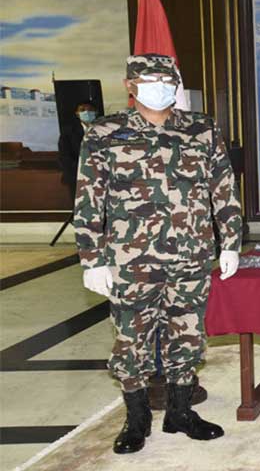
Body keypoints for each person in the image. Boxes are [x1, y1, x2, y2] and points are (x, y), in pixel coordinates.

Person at [73, 53, 243, 454]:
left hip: (191, 255)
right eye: (151, 82)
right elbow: (88, 197)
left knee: (187, 335)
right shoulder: (105, 132)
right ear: (130, 86)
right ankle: (137, 419)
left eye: (168, 82)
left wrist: (231, 242)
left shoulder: (201, 129)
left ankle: (180, 412)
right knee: (131, 340)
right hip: (131, 260)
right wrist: (92, 259)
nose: (161, 89)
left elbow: (223, 188)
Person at [57, 102, 98, 198]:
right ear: (77, 113)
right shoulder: (68, 131)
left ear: (96, 112)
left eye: (90, 110)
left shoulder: (104, 129)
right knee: (80, 202)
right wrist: (81, 170)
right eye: (82, 110)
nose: (86, 112)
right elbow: (64, 155)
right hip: (76, 175)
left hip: (99, 175)